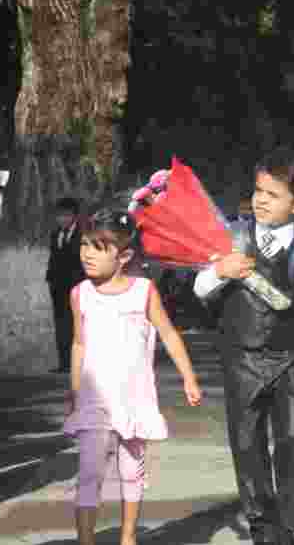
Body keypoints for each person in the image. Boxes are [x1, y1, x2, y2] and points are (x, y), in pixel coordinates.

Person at [193, 146, 294, 545]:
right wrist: (221, 270)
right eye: (258, 191)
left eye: (273, 194)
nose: (261, 200)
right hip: (241, 358)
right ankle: (263, 526)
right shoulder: (233, 238)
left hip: (288, 358)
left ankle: (292, 521)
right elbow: (201, 287)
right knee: (246, 441)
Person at [64, 208, 202, 545]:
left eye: (99, 247)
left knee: (131, 471)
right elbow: (79, 343)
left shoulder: (143, 291)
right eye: (84, 245)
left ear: (124, 256)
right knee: (90, 472)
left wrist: (189, 377)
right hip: (94, 399)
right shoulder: (80, 294)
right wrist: (74, 390)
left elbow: (168, 333)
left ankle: (128, 538)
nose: (87, 254)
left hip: (134, 398)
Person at [47, 196, 86, 373]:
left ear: (74, 216)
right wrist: (50, 279)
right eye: (59, 215)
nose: (62, 219)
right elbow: (53, 259)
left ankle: (80, 362)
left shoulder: (83, 235)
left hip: (77, 286)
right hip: (57, 286)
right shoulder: (55, 234)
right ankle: (64, 363)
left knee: (77, 323)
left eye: (66, 215)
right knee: (61, 323)